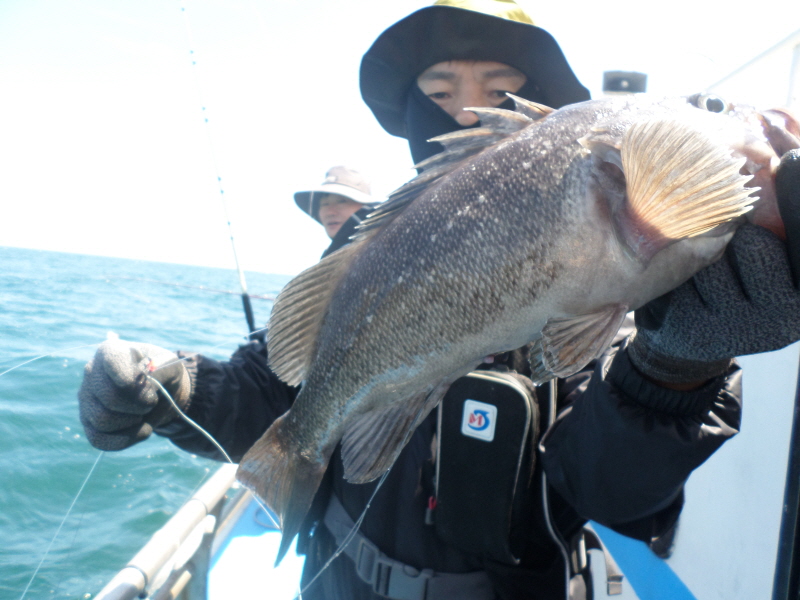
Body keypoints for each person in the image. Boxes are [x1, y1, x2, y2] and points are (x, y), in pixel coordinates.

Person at [78, 2, 800, 599]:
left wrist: (673, 370)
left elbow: (609, 495)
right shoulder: (366, 245)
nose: (468, 111)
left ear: (537, 103)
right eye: (440, 91)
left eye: (498, 86)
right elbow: (273, 386)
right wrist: (173, 385)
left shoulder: (634, 277)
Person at [294, 165, 380, 256]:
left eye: (341, 202)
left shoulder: (380, 246)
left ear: (365, 207)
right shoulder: (332, 255)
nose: (330, 212)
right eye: (324, 204)